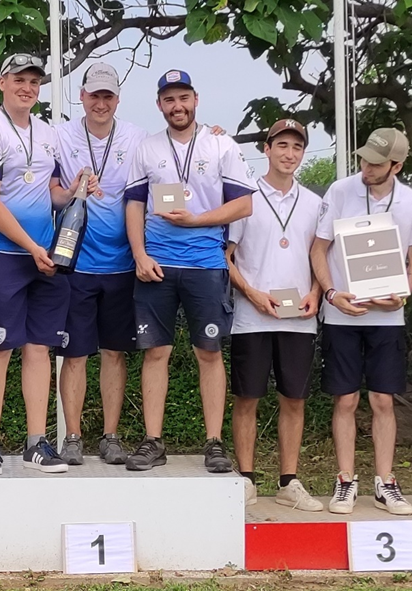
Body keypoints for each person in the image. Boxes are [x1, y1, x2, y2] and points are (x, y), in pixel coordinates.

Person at [123, 69, 254, 473]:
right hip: (157, 264)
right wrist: (139, 255)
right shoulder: (146, 148)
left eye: (183, 98)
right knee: (155, 352)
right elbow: (134, 204)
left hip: (206, 264)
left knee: (209, 353)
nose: (177, 106)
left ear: (196, 99)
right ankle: (153, 441)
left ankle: (214, 443)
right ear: (159, 104)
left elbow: (244, 205)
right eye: (169, 99)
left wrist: (197, 220)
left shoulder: (221, 144)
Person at [0, 54, 74, 475]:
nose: (27, 87)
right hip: (2, 255)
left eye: (34, 81)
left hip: (43, 257)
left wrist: (75, 190)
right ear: (2, 82)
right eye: (19, 80)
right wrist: (31, 246)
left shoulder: (47, 133)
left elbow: (51, 192)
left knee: (40, 347)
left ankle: (36, 443)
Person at [309, 128, 412, 515]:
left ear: (397, 165)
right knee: (345, 398)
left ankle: (385, 483)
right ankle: (345, 480)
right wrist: (331, 293)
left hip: (387, 318)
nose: (366, 167)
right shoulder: (340, 191)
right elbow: (319, 249)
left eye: (376, 163)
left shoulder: (411, 202)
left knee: (382, 400)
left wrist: (403, 294)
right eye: (364, 159)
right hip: (342, 314)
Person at [52, 63, 147, 465]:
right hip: (75, 263)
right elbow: (51, 190)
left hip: (121, 264)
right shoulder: (60, 136)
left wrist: (211, 132)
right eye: (94, 95)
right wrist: (73, 189)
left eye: (108, 96)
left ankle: (110, 436)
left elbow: (170, 156)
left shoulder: (137, 137)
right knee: (73, 355)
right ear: (82, 96)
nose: (101, 103)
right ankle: (72, 437)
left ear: (118, 99)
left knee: (114, 353)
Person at [227, 119, 323, 509]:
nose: (289, 153)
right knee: (247, 398)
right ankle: (246, 479)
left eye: (297, 147)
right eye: (281, 145)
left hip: (299, 318)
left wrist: (316, 292)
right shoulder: (245, 199)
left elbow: (322, 257)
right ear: (266, 149)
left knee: (294, 399)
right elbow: (225, 257)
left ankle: (289, 482)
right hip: (251, 317)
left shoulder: (315, 203)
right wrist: (251, 292)